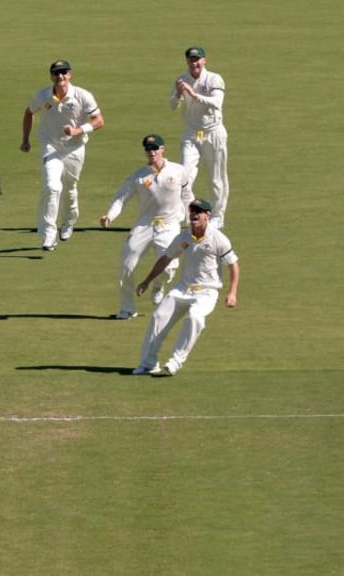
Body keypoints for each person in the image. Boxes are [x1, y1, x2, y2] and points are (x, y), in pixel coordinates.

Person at [132, 199, 239, 376]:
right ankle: (148, 364)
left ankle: (174, 363)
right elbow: (166, 258)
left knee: (195, 317)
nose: (194, 214)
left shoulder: (218, 238)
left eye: (198, 211)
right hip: (182, 289)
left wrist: (232, 293)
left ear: (207, 216)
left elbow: (233, 265)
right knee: (158, 316)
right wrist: (147, 281)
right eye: (192, 211)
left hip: (207, 291)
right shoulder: (184, 236)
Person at [99, 134, 194, 320]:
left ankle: (158, 285)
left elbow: (187, 196)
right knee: (127, 265)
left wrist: (191, 221)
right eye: (148, 149)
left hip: (170, 224)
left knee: (169, 267)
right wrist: (109, 215)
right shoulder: (139, 176)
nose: (151, 152)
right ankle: (127, 308)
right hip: (145, 225)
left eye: (155, 148)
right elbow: (121, 198)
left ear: (162, 149)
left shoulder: (178, 171)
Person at [21, 59, 105, 251]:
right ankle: (49, 233)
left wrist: (78, 131)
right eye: (56, 73)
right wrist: (25, 140)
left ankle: (68, 222)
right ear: (51, 76)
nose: (60, 76)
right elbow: (28, 113)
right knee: (52, 186)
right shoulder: (43, 96)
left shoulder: (83, 96)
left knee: (69, 188)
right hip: (50, 147)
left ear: (70, 74)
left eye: (64, 73)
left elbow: (99, 121)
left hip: (75, 149)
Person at [170, 46, 230, 229]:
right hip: (192, 133)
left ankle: (217, 216)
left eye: (197, 59)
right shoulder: (182, 79)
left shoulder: (214, 79)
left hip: (213, 133)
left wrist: (194, 94)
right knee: (184, 175)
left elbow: (217, 103)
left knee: (215, 178)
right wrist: (179, 93)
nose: (194, 62)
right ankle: (187, 212)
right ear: (187, 61)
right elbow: (172, 105)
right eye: (191, 59)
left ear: (204, 61)